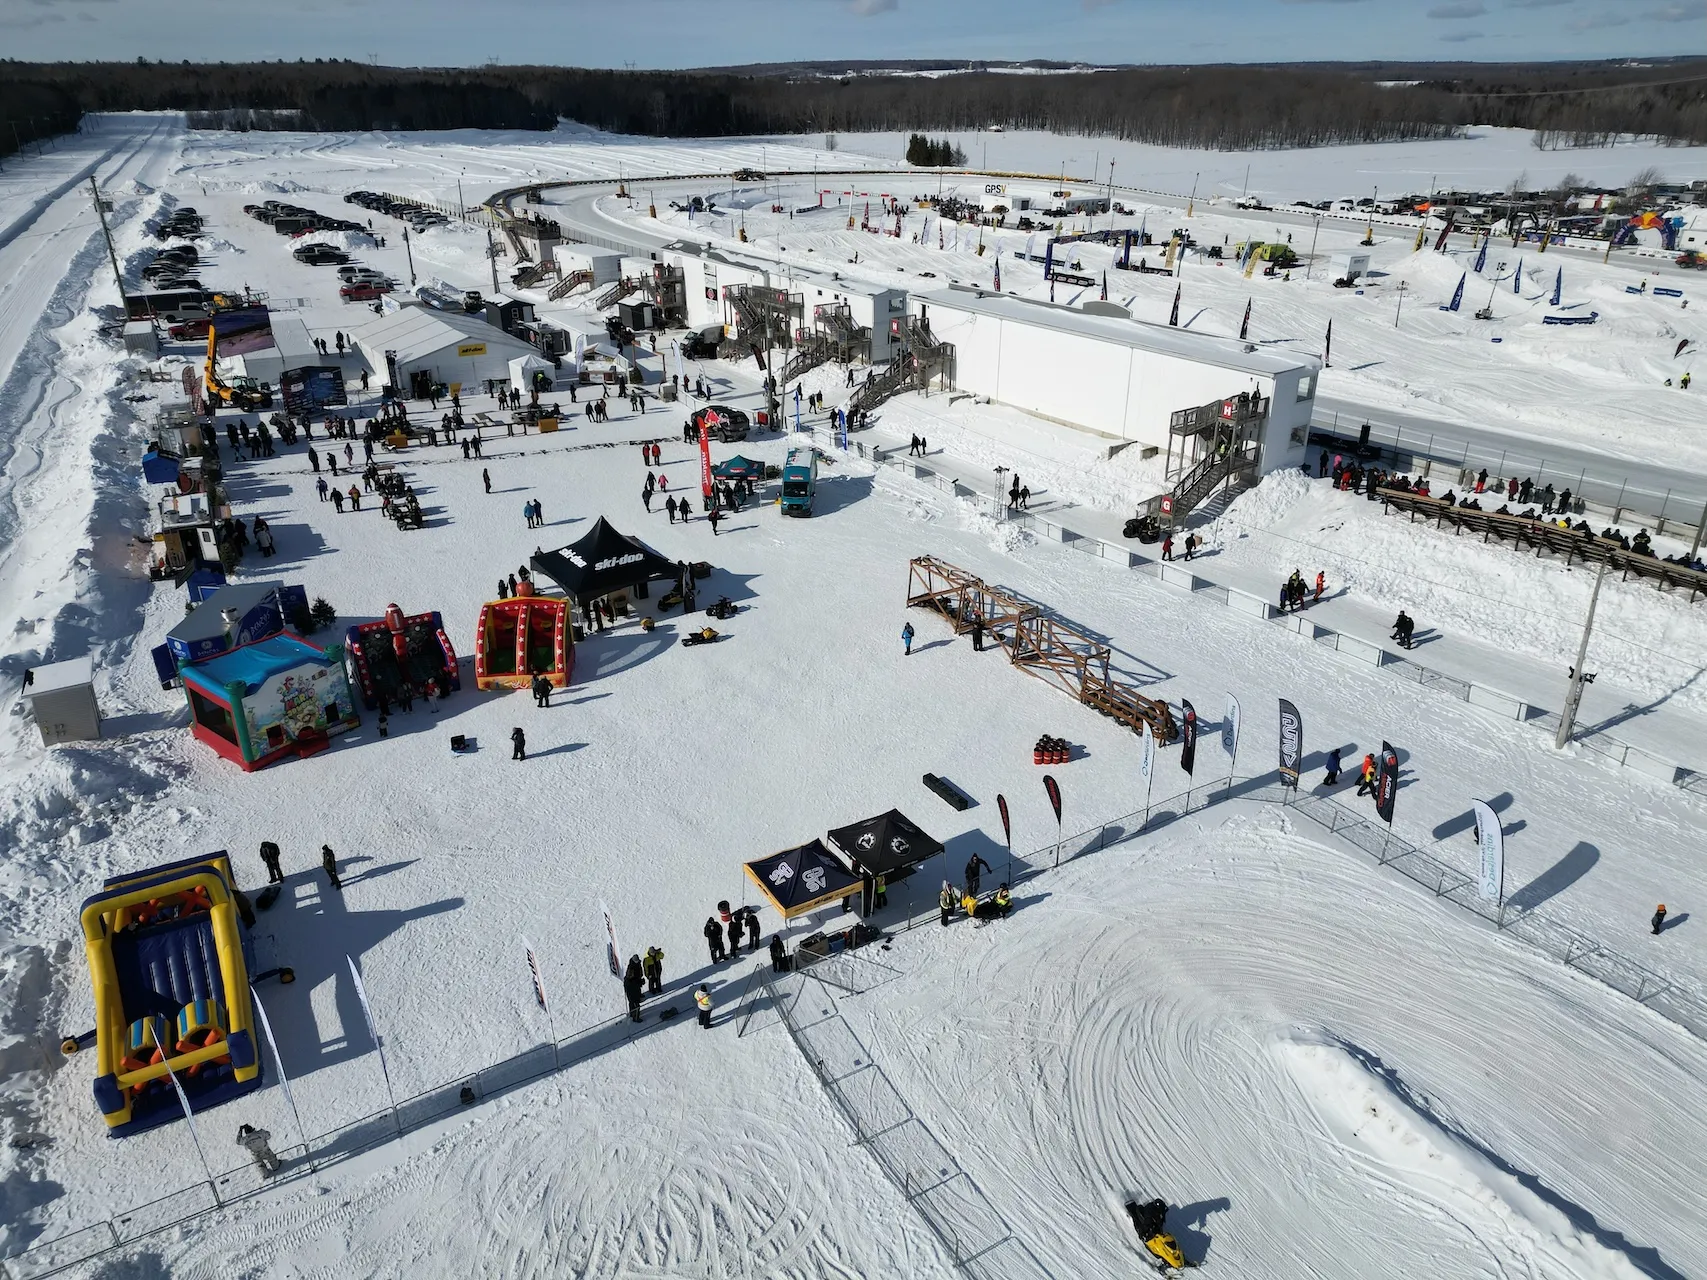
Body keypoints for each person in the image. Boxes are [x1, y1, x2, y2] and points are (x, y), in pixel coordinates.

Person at [623, 955, 645, 1022]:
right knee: (635, 1004)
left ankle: (632, 1014)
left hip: (634, 988)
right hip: (631, 990)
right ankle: (635, 1017)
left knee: (632, 1002)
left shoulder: (637, 964)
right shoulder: (631, 969)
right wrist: (640, 982)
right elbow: (632, 982)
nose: (637, 962)